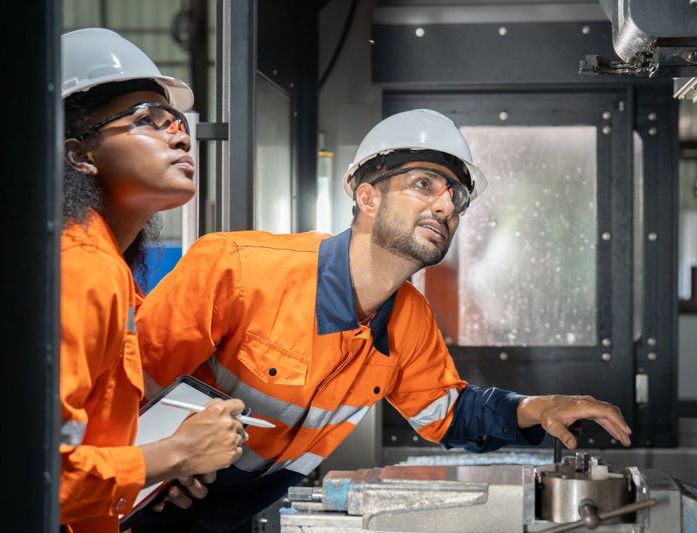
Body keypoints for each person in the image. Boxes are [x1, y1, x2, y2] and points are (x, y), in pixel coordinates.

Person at [135, 109, 632, 532]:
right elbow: (126, 392)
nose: (445, 205)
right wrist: (159, 469)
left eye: (455, 197)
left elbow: (448, 413)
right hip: (130, 509)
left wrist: (540, 406)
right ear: (368, 198)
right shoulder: (236, 266)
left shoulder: (409, 318)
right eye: (423, 184)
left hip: (231, 519)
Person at [59, 28, 248, 533]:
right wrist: (168, 456)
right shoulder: (79, 267)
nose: (180, 135)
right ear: (80, 155)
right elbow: (32, 475)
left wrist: (152, 471)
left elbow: (86, 446)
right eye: (147, 121)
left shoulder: (110, 266)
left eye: (177, 121)